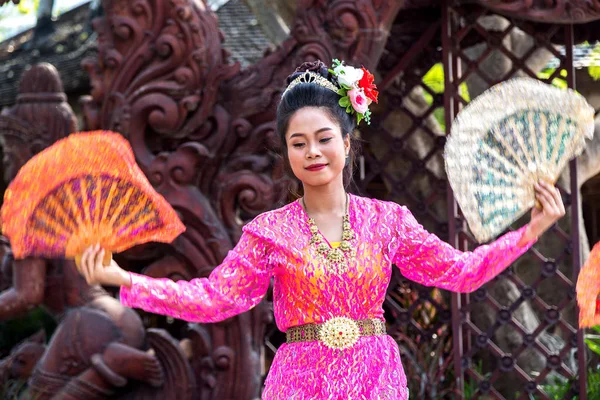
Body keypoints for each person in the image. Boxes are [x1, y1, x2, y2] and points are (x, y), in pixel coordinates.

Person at [78, 60, 565, 399]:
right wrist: (127, 281)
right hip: (299, 383)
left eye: (323, 138)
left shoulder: (388, 221)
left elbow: (461, 273)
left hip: (376, 380)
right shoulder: (269, 232)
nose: (312, 152)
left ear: (347, 144)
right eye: (298, 142)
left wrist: (531, 229)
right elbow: (215, 298)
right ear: (287, 154)